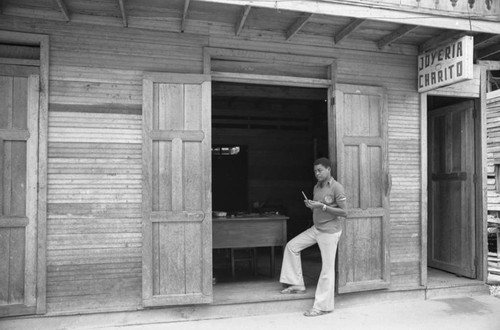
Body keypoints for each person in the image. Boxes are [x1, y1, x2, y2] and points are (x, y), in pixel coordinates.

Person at [279, 157, 347, 317]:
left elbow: (345, 212)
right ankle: (297, 284)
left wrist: (322, 206)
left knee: (327, 269)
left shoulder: (337, 187)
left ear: (328, 169)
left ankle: (322, 307)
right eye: (315, 171)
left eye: (320, 170)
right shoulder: (317, 187)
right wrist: (312, 206)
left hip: (329, 232)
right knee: (292, 246)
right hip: (316, 229)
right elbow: (318, 209)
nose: (317, 174)